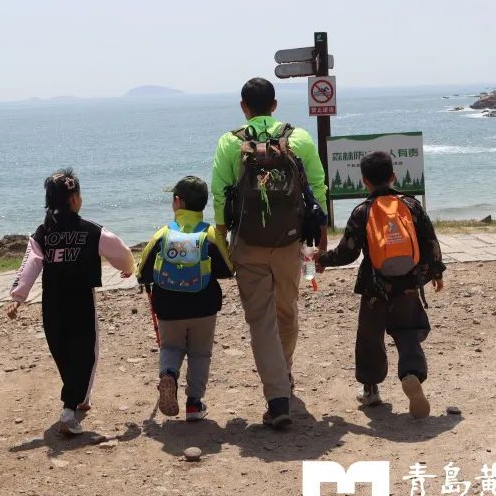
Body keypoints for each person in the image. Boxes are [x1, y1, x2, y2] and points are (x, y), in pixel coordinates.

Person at [211, 77, 328, 429]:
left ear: (243, 107)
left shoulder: (230, 142)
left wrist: (223, 241)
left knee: (261, 321)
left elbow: (220, 194)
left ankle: (277, 399)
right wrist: (321, 238)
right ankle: (285, 371)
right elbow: (318, 186)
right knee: (286, 310)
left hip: (248, 244)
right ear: (274, 105)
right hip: (290, 242)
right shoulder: (299, 138)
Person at [6, 169, 135, 436]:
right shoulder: (90, 230)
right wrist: (128, 267)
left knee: (62, 350)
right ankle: (69, 409)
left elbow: (30, 263)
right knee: (86, 351)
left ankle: (79, 396)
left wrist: (18, 297)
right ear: (75, 199)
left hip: (52, 302)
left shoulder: (43, 232)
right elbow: (120, 250)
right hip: (81, 300)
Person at [317, 151, 445, 419]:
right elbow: (429, 240)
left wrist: (323, 260)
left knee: (370, 337)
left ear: (365, 181)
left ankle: (371, 390)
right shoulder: (411, 205)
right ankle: (411, 374)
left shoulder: (362, 211)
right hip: (408, 284)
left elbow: (348, 252)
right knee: (408, 332)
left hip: (374, 287)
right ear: (393, 176)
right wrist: (436, 272)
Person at [135, 176, 234, 422]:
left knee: (170, 347)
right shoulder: (210, 234)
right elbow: (228, 269)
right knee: (200, 354)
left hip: (168, 306)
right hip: (204, 305)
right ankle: (194, 404)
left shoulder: (163, 233)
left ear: (177, 202)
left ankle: (169, 374)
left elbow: (142, 272)